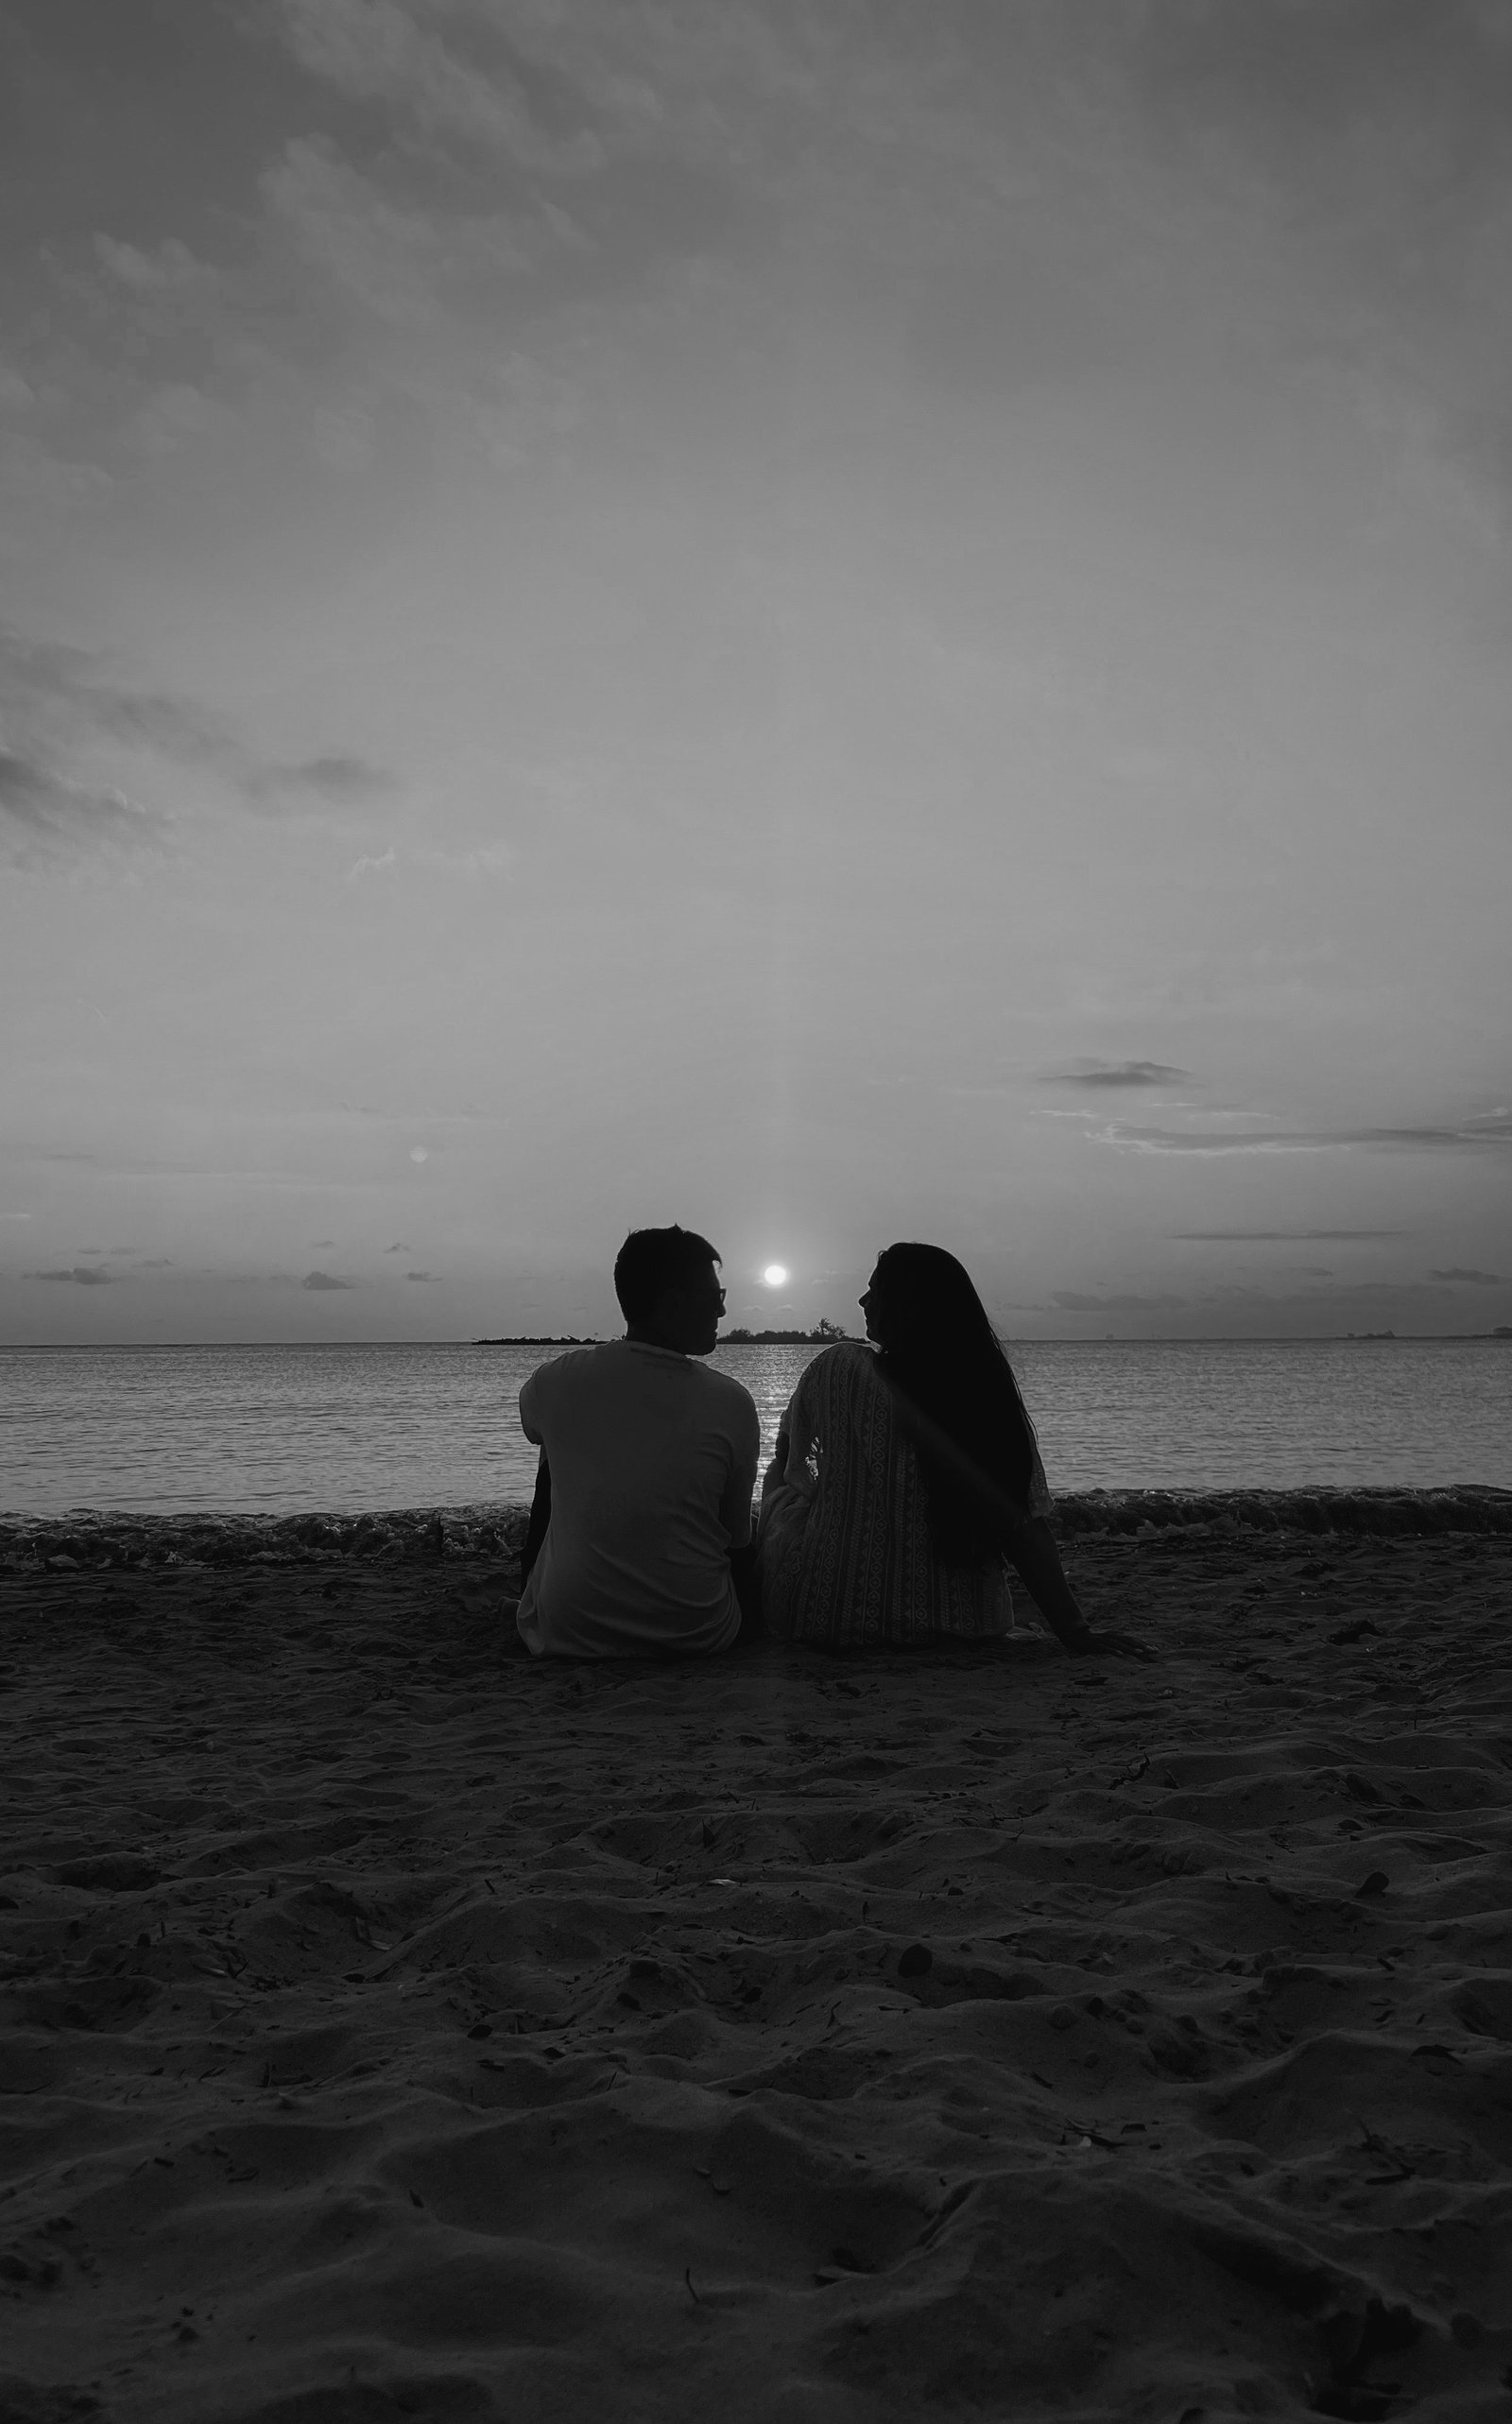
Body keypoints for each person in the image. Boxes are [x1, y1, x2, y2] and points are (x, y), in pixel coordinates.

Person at [755, 1241, 1151, 1658]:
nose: (862, 1300)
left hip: (831, 1619)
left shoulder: (837, 1367)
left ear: (905, 1305)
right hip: (965, 1624)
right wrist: (1075, 1632)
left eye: (875, 1291)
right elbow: (1024, 1527)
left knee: (785, 1486)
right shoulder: (986, 1396)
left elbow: (792, 1460)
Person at [509, 1226, 762, 1658]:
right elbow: (736, 1541)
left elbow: (533, 1429)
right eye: (715, 1296)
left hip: (567, 1629)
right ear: (675, 1303)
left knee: (552, 1442)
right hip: (698, 1633)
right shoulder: (731, 1401)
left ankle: (530, 1588)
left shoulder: (554, 1381)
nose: (722, 1310)